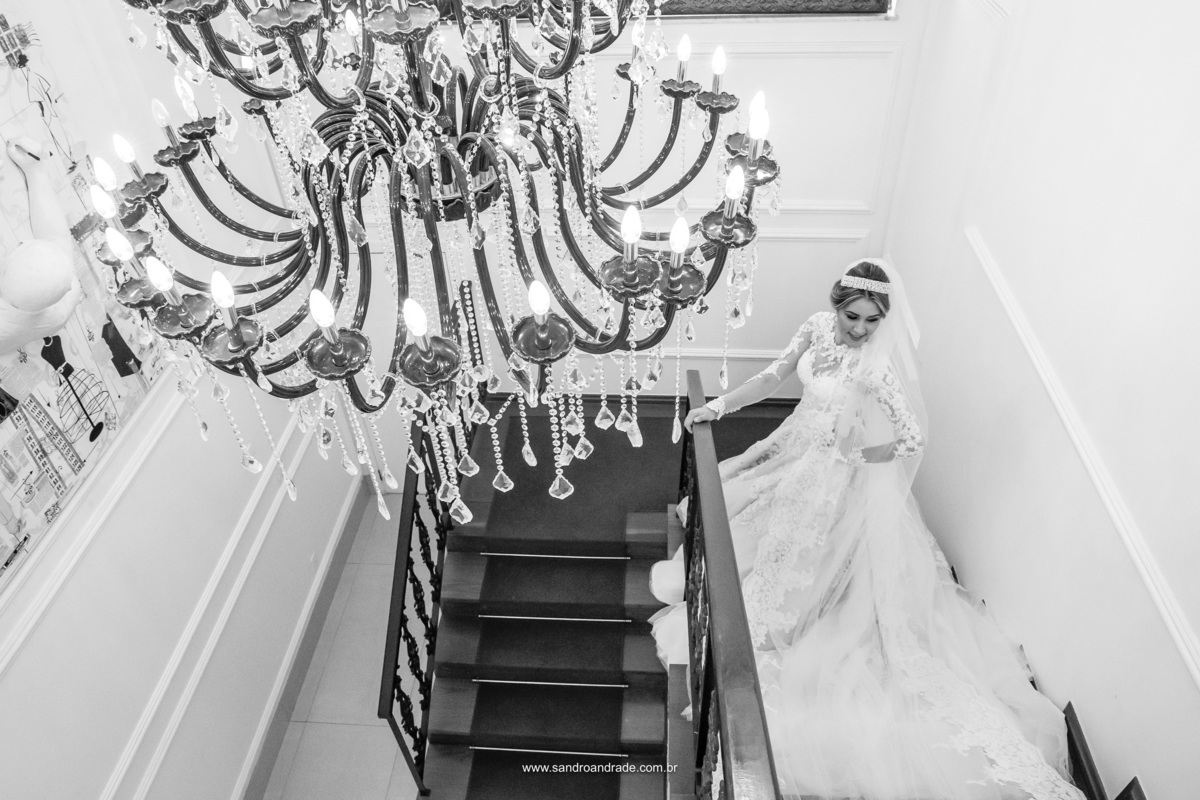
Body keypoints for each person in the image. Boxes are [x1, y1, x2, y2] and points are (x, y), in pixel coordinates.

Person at [649, 259, 1085, 800]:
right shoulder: (814, 327)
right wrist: (716, 406)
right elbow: (772, 377)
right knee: (752, 521)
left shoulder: (875, 369)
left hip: (833, 476)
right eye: (853, 316)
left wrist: (857, 454)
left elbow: (911, 440)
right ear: (837, 305)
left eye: (872, 321)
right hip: (793, 447)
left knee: (801, 562)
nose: (859, 329)